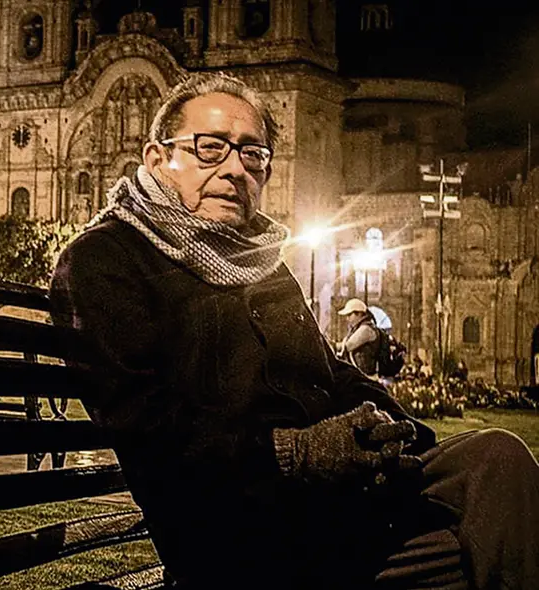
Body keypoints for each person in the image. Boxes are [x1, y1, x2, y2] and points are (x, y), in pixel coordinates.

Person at [49, 72, 539, 588]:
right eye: (210, 148)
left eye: (252, 155)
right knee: (490, 538)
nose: (235, 169)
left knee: (495, 459)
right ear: (156, 158)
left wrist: (391, 426)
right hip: (245, 529)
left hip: (338, 500)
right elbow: (146, 427)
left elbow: (330, 371)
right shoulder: (105, 259)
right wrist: (295, 452)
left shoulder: (260, 261)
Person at [337, 297, 380, 376]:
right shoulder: (358, 328)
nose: (347, 318)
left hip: (367, 377)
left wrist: (329, 345)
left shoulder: (366, 329)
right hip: (361, 375)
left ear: (359, 314)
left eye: (350, 315)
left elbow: (348, 346)